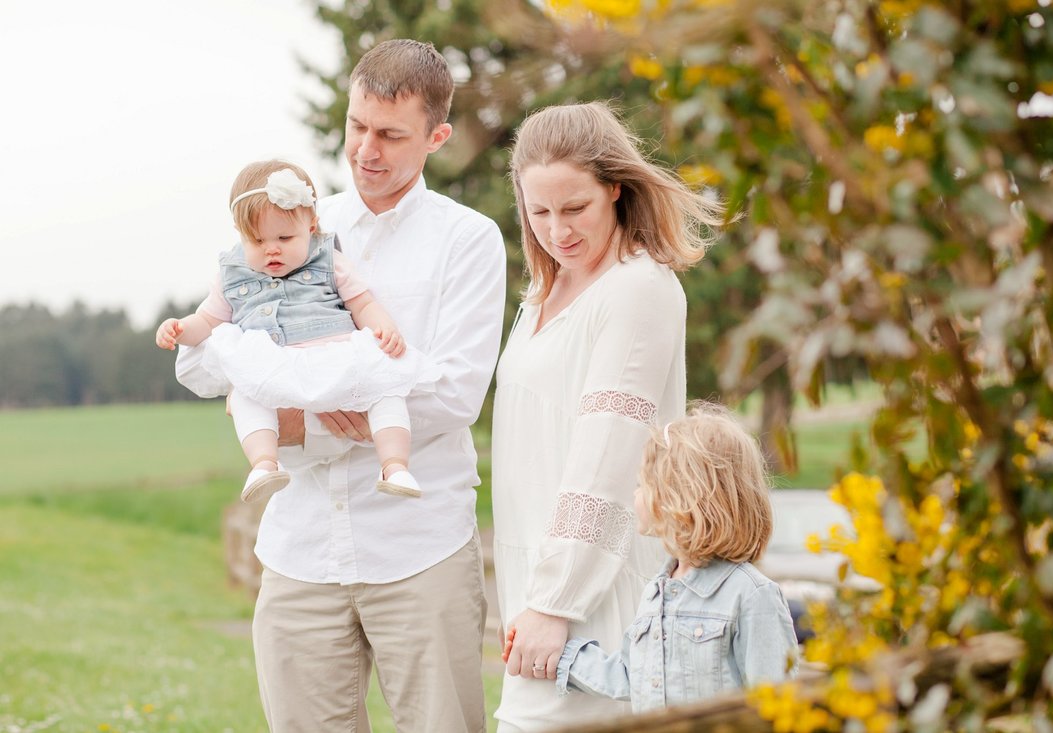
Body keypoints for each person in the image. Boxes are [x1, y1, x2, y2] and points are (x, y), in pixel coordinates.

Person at [175, 39, 506, 732]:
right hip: (298, 547)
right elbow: (202, 365)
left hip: (419, 548)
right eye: (358, 126)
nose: (366, 150)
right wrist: (312, 397)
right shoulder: (288, 224)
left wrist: (303, 422)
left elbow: (453, 395)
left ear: (437, 136)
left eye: (390, 134)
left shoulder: (468, 240)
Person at [491, 101, 725, 731]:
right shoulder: (544, 289)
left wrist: (554, 603)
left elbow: (609, 454)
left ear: (616, 190)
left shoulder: (636, 288)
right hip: (536, 583)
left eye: (575, 209)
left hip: (600, 598)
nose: (556, 230)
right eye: (538, 211)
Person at [155, 160, 429, 503]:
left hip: (335, 353)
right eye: (257, 240)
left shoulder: (329, 259)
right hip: (275, 363)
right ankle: (264, 464)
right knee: (245, 394)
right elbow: (208, 322)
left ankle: (395, 465)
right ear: (240, 235)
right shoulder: (230, 275)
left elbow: (362, 304)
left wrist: (383, 327)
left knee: (385, 387)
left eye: (285, 237)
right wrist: (179, 329)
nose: (272, 248)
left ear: (311, 226)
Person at [504, 403, 800, 712]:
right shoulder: (658, 592)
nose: (634, 495)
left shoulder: (752, 596)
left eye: (644, 484)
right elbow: (633, 675)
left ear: (680, 497)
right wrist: (558, 655)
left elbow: (778, 707)